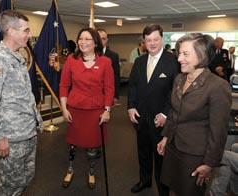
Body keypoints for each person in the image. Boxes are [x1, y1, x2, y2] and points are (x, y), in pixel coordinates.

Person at [0, 10, 43, 196]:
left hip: (27, 132)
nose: (29, 35)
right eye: (26, 30)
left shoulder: (19, 57)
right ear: (11, 31)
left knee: (25, 179)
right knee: (9, 185)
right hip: (11, 137)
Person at [157, 33, 232, 196]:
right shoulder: (179, 79)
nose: (179, 59)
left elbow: (218, 131)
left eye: (185, 54)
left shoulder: (218, 86)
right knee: (175, 188)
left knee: (190, 192)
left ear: (202, 55)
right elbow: (174, 112)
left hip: (195, 154)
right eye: (179, 53)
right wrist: (165, 137)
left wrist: (209, 163)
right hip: (174, 146)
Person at [59, 27, 114, 189]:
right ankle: (70, 169)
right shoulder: (71, 60)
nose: (83, 42)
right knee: (72, 144)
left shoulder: (105, 62)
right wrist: (64, 108)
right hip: (75, 110)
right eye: (80, 39)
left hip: (96, 112)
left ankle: (91, 171)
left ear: (95, 42)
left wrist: (107, 110)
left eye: (87, 39)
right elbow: (63, 85)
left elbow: (109, 88)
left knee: (93, 146)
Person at [128, 24, 179, 195]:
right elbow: (133, 86)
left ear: (162, 39)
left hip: (161, 119)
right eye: (148, 40)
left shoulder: (173, 61)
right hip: (140, 117)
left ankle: (163, 189)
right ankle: (145, 180)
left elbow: (175, 92)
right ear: (144, 42)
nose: (152, 43)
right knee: (143, 152)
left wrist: (166, 113)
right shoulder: (139, 61)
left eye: (155, 39)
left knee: (161, 157)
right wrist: (130, 107)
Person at [97, 28, 120, 104]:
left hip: (108, 93)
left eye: (103, 39)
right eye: (98, 38)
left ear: (107, 40)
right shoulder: (89, 55)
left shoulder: (113, 56)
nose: (101, 41)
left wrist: (116, 95)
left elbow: (116, 76)